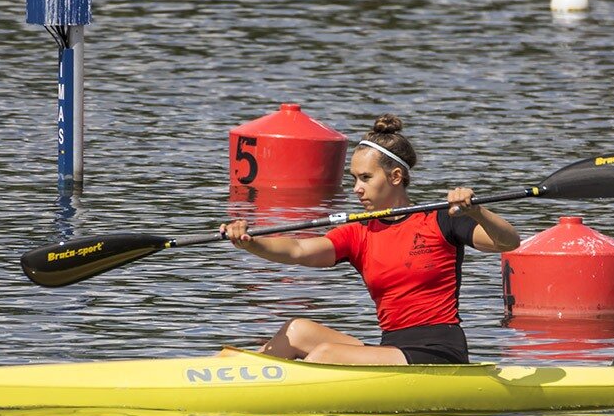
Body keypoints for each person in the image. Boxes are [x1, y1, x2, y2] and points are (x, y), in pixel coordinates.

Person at [220, 114, 520, 365]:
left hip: (437, 353)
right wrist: (249, 242)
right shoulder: (359, 230)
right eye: (353, 179)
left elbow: (508, 242)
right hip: (391, 348)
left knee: (325, 355)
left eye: (365, 178)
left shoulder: (442, 219)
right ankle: (231, 380)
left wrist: (478, 211)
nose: (356, 189)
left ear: (396, 177)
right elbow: (298, 249)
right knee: (297, 330)